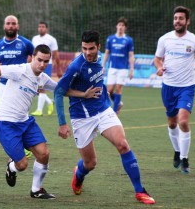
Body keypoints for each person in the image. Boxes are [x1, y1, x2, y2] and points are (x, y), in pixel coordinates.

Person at [0, 44, 100, 199]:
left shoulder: (42, 78)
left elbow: (61, 90)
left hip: (25, 122)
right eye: (39, 60)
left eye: (46, 61)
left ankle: (36, 190)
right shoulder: (19, 70)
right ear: (32, 57)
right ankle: (11, 167)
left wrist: (84, 94)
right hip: (5, 123)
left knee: (44, 154)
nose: (42, 64)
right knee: (22, 165)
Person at [54, 30, 155, 205]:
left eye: (91, 48)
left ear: (98, 47)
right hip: (81, 117)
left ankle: (140, 191)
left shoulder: (101, 58)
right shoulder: (76, 67)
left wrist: (107, 97)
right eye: (84, 48)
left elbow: (98, 81)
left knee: (123, 145)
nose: (87, 52)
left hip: (102, 111)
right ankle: (79, 174)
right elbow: (58, 92)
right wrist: (63, 123)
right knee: (90, 163)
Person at [154, 6, 195, 174]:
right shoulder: (165, 39)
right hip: (168, 87)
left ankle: (184, 159)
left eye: (181, 18)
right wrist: (159, 67)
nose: (177, 21)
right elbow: (157, 59)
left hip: (187, 87)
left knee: (183, 121)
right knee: (172, 123)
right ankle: (177, 151)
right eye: (176, 18)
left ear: (188, 21)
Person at [0, 15, 34, 158]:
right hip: (3, 85)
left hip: (21, 86)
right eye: (8, 23)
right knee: (7, 116)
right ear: (4, 26)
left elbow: (37, 58)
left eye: (13, 23)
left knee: (20, 114)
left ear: (18, 26)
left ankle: (23, 144)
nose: (11, 26)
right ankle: (19, 146)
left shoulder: (25, 43)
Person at [101, 17, 135, 114]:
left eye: (123, 25)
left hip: (123, 68)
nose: (120, 27)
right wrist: (103, 65)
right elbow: (107, 53)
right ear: (116, 26)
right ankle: (118, 103)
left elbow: (131, 55)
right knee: (109, 90)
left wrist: (131, 69)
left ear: (125, 28)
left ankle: (115, 112)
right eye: (119, 25)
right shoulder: (111, 39)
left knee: (118, 88)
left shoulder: (128, 40)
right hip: (112, 67)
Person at [31, 21, 62, 116]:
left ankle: (39, 110)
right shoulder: (34, 39)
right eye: (39, 26)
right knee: (36, 88)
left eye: (43, 26)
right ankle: (49, 102)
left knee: (41, 87)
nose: (41, 28)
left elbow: (56, 54)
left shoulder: (51, 39)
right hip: (35, 64)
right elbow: (33, 53)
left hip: (47, 65)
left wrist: (59, 68)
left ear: (46, 28)